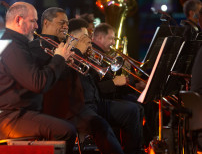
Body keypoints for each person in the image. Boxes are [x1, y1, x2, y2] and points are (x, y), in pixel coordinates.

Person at [30, 10, 143, 154]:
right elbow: (54, 76)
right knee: (100, 126)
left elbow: (93, 79)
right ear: (46, 22)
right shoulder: (38, 46)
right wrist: (77, 52)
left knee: (133, 110)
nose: (66, 26)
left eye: (66, 22)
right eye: (62, 22)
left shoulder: (64, 45)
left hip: (91, 102)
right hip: (69, 105)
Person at [0, 2, 76, 154]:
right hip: (9, 118)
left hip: (17, 113)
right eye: (33, 21)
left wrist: (61, 63)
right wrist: (58, 58)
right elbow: (38, 83)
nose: (36, 26)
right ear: (19, 20)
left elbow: (30, 74)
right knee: (66, 131)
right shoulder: (12, 46)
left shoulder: (14, 43)